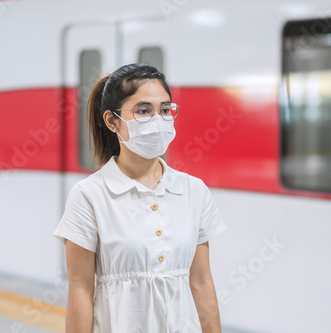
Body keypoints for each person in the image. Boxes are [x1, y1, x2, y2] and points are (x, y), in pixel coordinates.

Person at [52, 63, 228, 333]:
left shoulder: (194, 191)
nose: (158, 120)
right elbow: (80, 290)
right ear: (112, 121)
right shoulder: (89, 196)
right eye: (143, 110)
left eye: (165, 109)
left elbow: (201, 282)